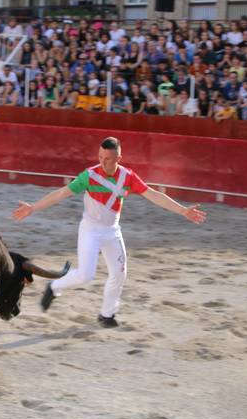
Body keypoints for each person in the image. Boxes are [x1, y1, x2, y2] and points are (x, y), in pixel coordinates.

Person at [11, 137, 206, 328]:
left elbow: (153, 195)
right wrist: (33, 208)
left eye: (107, 158)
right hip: (90, 230)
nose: (102, 162)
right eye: (100, 157)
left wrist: (183, 210)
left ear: (118, 159)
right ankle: (54, 287)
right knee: (85, 276)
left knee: (119, 274)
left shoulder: (127, 176)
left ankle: (106, 314)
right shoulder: (89, 175)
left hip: (112, 231)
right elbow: (62, 193)